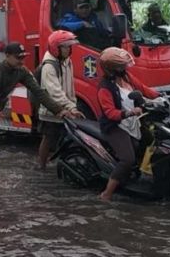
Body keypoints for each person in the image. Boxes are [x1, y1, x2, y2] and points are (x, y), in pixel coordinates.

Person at [0, 42, 72, 186]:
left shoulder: (21, 72)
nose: (21, 61)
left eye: (23, 57)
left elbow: (39, 92)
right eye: (18, 58)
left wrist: (59, 110)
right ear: (7, 56)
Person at [96, 47, 160, 201]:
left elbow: (144, 89)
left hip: (133, 122)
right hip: (115, 126)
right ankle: (107, 194)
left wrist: (162, 97)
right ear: (113, 69)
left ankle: (139, 174)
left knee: (150, 140)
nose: (125, 68)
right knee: (127, 159)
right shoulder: (105, 88)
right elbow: (110, 113)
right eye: (122, 66)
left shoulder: (127, 77)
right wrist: (129, 113)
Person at [37, 30, 84, 169]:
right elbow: (55, 92)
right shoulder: (49, 66)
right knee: (48, 138)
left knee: (63, 138)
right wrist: (71, 107)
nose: (69, 49)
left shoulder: (66, 61)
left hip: (66, 107)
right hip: (51, 110)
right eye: (65, 47)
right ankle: (42, 166)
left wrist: (72, 104)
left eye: (70, 46)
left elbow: (70, 86)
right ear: (55, 48)